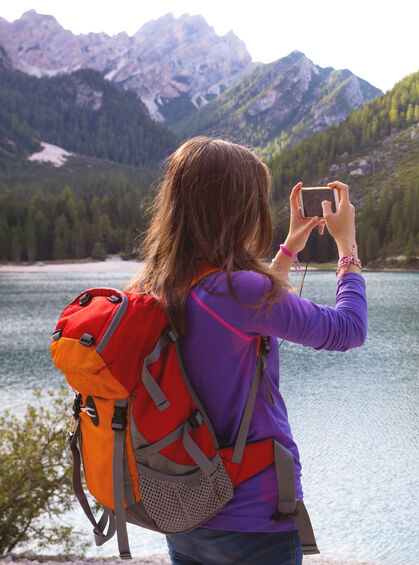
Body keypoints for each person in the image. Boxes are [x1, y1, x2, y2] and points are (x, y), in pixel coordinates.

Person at [127, 137, 367, 565]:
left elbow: (240, 314)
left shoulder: (155, 285)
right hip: (253, 515)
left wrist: (290, 247)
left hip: (184, 506)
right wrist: (346, 246)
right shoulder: (240, 291)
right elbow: (348, 330)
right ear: (238, 210)